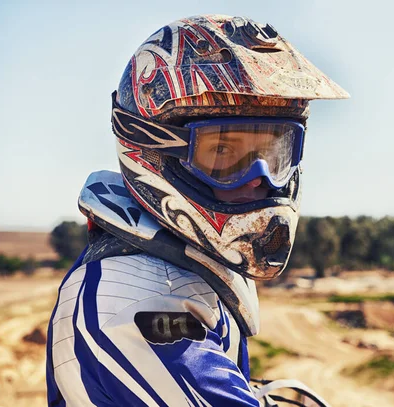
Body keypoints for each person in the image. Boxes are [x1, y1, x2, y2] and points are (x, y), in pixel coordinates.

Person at [46, 14, 348, 406]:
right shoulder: (138, 299)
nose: (258, 179)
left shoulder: (175, 265)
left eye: (273, 153)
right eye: (223, 152)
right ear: (157, 151)